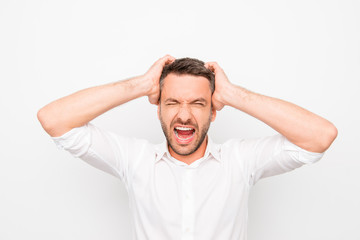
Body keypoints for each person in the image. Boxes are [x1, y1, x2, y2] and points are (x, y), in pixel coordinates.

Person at [37, 55, 337, 240]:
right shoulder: (135, 160)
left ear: (213, 111)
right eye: (172, 102)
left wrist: (233, 94)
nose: (183, 115)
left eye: (197, 103)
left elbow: (320, 136)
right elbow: (54, 119)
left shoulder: (240, 161)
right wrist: (141, 84)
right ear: (158, 110)